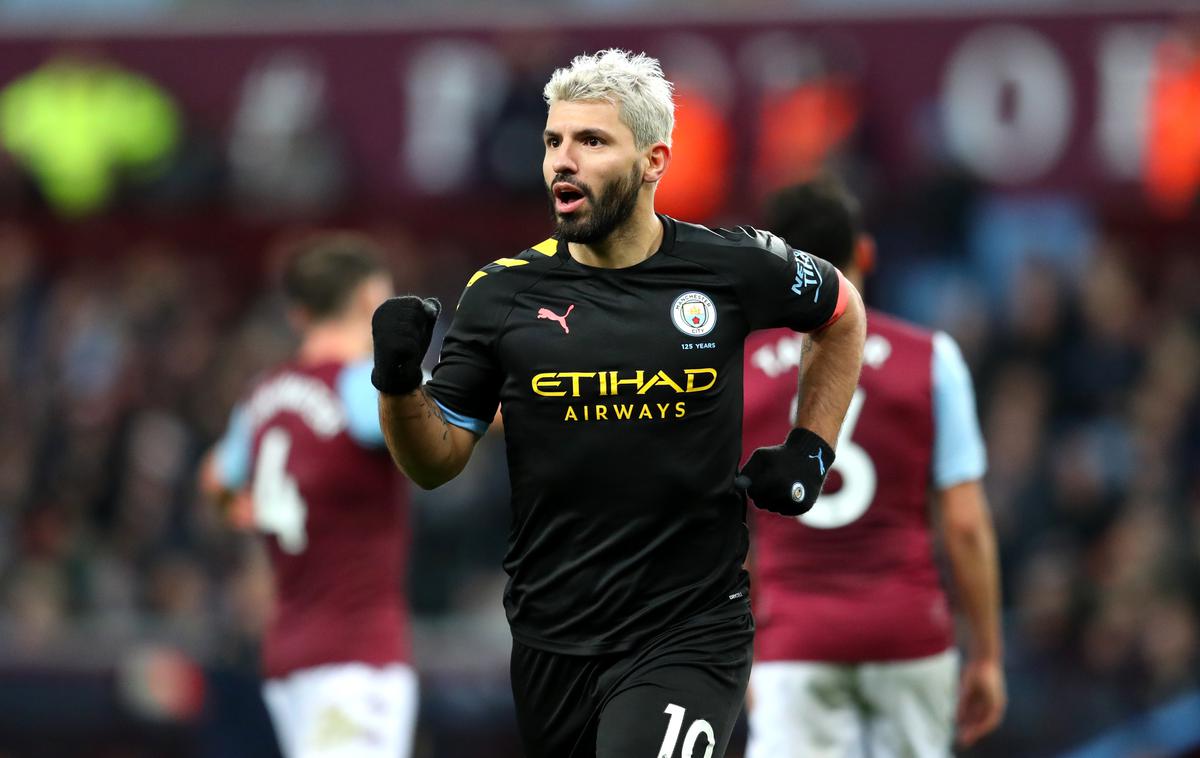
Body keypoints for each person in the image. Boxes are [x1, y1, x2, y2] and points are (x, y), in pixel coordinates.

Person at [369, 49, 866, 758]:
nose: (562, 162)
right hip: (551, 640)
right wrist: (397, 384)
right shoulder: (502, 296)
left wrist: (812, 448)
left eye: (591, 142)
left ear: (653, 160)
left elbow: (842, 314)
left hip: (689, 630)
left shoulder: (729, 267)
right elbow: (435, 460)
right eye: (553, 142)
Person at [742, 177, 1006, 757]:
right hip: (910, 636)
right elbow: (964, 527)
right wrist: (986, 654)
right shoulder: (932, 361)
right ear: (864, 253)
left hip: (794, 643)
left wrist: (742, 653)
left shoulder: (742, 374)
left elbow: (722, 534)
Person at [201, 234, 418, 758]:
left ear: (298, 314)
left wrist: (245, 513)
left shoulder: (261, 397)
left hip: (288, 654)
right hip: (355, 655)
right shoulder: (365, 388)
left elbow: (214, 476)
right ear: (372, 299)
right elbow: (461, 412)